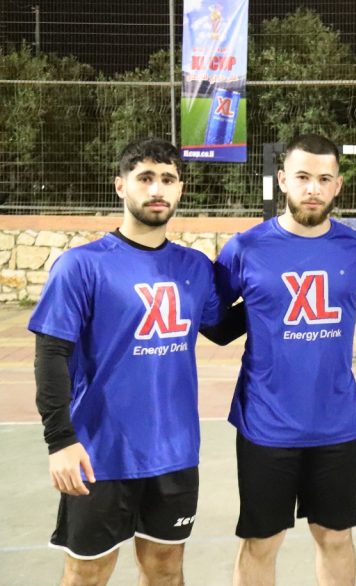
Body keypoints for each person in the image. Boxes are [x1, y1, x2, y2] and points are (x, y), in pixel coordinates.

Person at [29, 137, 222, 585]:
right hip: (100, 453)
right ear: (121, 186)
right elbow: (50, 355)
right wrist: (60, 440)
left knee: (166, 569)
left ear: (180, 189)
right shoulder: (81, 266)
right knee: (87, 574)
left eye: (168, 179)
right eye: (145, 178)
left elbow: (223, 326)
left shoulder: (194, 266)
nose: (157, 189)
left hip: (174, 452)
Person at [214, 134, 356, 586]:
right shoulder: (245, 248)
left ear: (338, 185)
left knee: (335, 538)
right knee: (262, 542)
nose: (313, 188)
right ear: (282, 180)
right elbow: (210, 317)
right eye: (302, 177)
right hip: (266, 424)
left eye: (323, 179)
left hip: (335, 423)